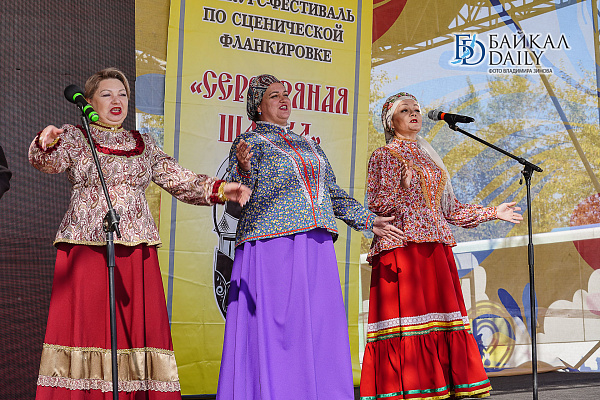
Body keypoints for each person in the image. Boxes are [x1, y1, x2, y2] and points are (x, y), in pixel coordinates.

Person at [29, 67, 251, 399]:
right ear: (89, 101)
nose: (116, 100)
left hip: (136, 249)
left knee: (132, 329)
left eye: (122, 94)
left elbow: (180, 179)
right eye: (106, 94)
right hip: (86, 246)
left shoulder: (144, 143)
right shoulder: (75, 136)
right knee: (88, 327)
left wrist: (220, 189)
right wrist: (45, 143)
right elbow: (48, 162)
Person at [216, 74, 404, 400]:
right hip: (272, 244)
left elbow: (332, 193)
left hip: (316, 244)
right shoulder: (249, 143)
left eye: (285, 94)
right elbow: (237, 194)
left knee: (319, 327)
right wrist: (243, 169)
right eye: (274, 95)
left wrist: (368, 220)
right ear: (258, 105)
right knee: (281, 330)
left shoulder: (309, 145)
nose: (283, 99)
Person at [359, 92, 523, 400]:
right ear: (390, 122)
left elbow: (450, 210)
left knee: (441, 321)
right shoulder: (384, 155)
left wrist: (493, 212)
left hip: (436, 247)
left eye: (416, 109)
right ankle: (411, 386)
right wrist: (402, 186)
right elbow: (377, 206)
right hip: (403, 248)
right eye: (405, 110)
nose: (414, 113)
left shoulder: (429, 156)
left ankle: (445, 385)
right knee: (410, 322)